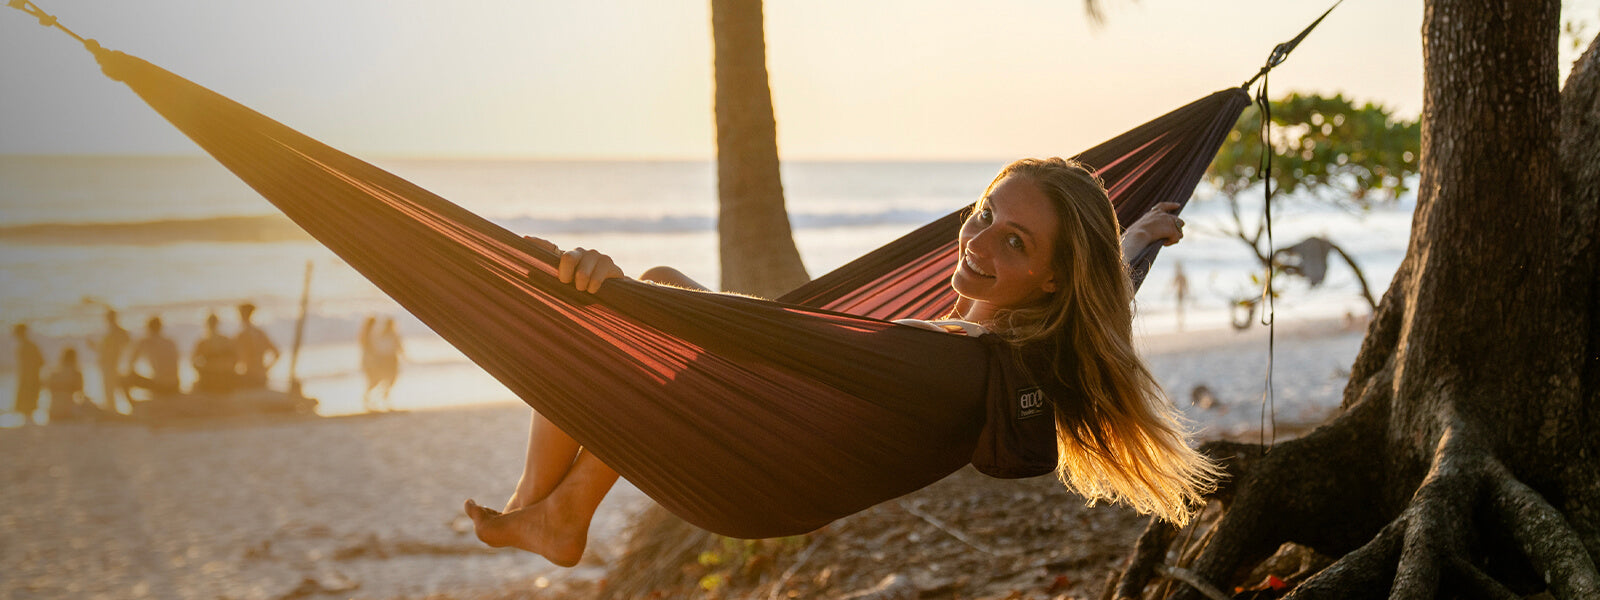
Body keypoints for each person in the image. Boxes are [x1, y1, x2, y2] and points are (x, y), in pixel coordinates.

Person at [463, 158, 1207, 567]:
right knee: (652, 289)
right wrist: (1134, 238)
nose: (978, 243)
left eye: (1014, 241)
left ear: (1049, 275)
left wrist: (616, 299)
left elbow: (773, 342)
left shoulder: (963, 359)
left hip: (762, 470)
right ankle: (540, 503)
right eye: (984, 215)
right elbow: (1094, 282)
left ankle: (558, 511)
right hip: (784, 433)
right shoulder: (1019, 326)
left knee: (592, 312)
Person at [123, 316, 181, 399]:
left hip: (161, 386)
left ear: (148, 328)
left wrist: (131, 372)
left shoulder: (146, 341)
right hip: (175, 386)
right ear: (160, 328)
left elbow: (131, 362)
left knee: (123, 380)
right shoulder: (170, 342)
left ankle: (134, 406)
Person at [234, 303, 279, 389]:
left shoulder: (241, 336)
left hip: (248, 377)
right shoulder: (260, 333)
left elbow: (236, 359)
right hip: (262, 376)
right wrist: (266, 369)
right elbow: (277, 353)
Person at [361, 317, 402, 412]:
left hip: (380, 361)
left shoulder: (375, 336)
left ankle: (376, 402)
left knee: (383, 381)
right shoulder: (373, 336)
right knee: (378, 381)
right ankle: (373, 402)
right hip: (378, 361)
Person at [191, 313, 237, 395]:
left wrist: (203, 371)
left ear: (207, 324)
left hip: (212, 378)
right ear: (217, 324)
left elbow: (193, 362)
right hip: (226, 378)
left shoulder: (203, 342)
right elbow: (236, 359)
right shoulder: (226, 340)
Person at [13, 324, 45, 426]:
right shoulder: (27, 345)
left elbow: (41, 361)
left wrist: (31, 372)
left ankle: (28, 422)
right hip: (30, 377)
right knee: (28, 404)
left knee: (28, 402)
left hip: (30, 377)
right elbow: (41, 361)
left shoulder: (27, 346)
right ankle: (28, 422)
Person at [46, 347, 89, 423]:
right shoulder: (76, 374)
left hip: (52, 412)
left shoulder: (54, 373)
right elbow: (80, 395)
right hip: (67, 413)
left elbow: (48, 389)